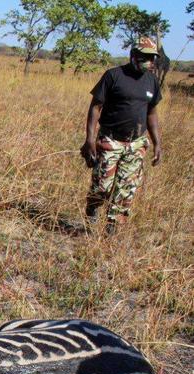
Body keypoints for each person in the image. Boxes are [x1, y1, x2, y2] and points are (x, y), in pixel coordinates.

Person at [80, 36, 163, 234]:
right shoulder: (113, 75)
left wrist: (157, 143)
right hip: (110, 139)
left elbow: (151, 113)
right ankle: (92, 209)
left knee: (126, 190)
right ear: (133, 55)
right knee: (102, 186)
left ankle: (111, 229)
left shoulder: (151, 81)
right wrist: (90, 140)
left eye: (152, 58)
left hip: (136, 144)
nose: (149, 62)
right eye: (145, 57)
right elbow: (95, 107)